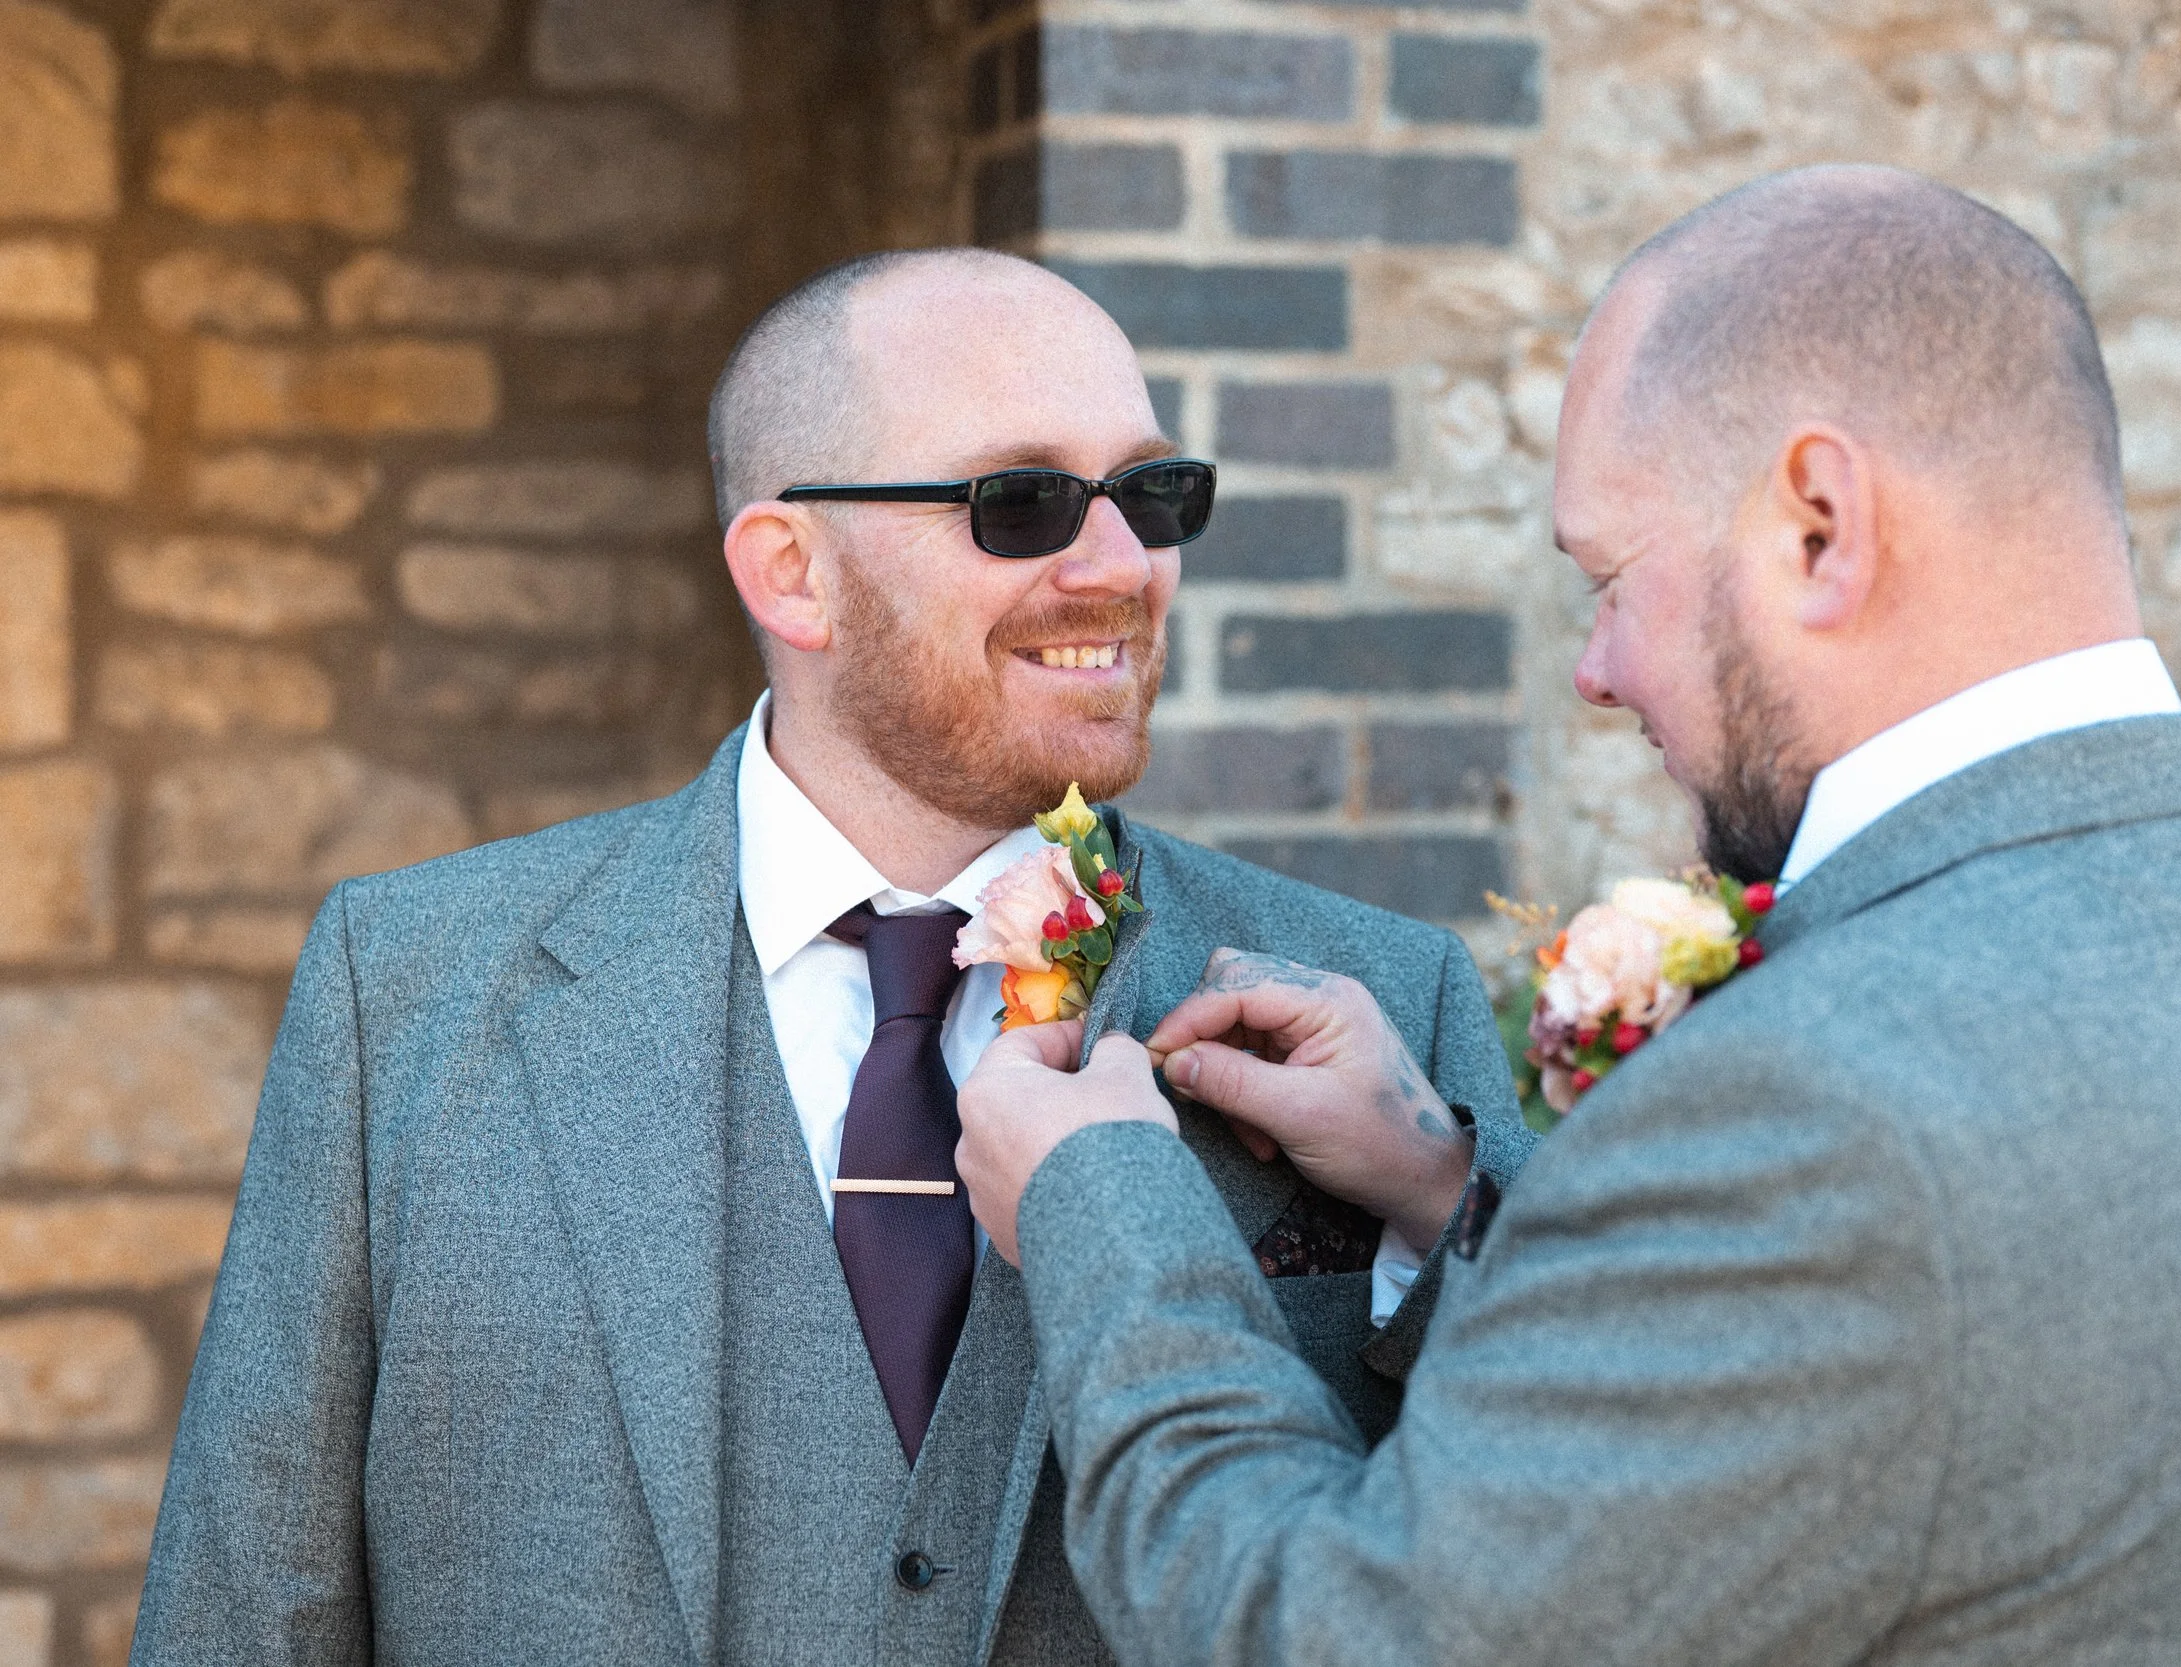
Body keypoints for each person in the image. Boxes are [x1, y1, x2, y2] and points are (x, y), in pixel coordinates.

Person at [954, 165, 2181, 1666]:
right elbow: (1835, 1408)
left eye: (1612, 580)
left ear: (1820, 523)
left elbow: (1317, 1631)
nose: (1596, 673)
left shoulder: (1813, 1103)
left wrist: (1106, 1201)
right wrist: (1438, 1189)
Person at [131, 248, 1529, 1667]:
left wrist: (1436, 1212)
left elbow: (1550, 1555)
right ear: (792, 573)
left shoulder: (1378, 1003)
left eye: (1152, 493)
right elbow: (249, 1606)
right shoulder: (409, 991)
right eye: (1022, 502)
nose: (1123, 566)